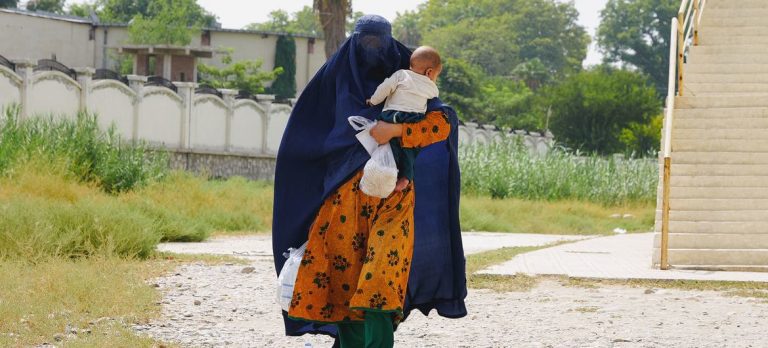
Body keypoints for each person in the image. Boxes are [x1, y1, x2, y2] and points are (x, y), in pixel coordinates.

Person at [272, 15, 467, 347]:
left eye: (379, 43)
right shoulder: (333, 85)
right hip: (343, 204)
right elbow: (305, 146)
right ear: (354, 44)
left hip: (395, 201)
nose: (372, 51)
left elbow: (441, 125)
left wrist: (396, 131)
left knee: (381, 282)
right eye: (366, 43)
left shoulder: (409, 82)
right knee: (344, 285)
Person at [365, 46, 442, 192]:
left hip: (393, 116)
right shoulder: (432, 88)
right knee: (410, 150)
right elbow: (435, 103)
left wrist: (373, 101)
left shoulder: (401, 75)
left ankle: (386, 173)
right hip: (414, 119)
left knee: (391, 146)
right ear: (430, 72)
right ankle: (406, 177)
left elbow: (385, 88)